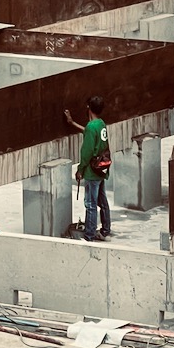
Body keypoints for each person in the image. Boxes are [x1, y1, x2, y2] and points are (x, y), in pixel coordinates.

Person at [65, 96, 111, 242]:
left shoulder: (92, 127)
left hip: (92, 171)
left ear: (88, 108)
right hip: (102, 168)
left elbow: (86, 152)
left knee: (90, 204)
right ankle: (104, 231)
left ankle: (89, 235)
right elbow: (90, 132)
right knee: (102, 202)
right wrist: (72, 123)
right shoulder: (100, 124)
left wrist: (80, 170)